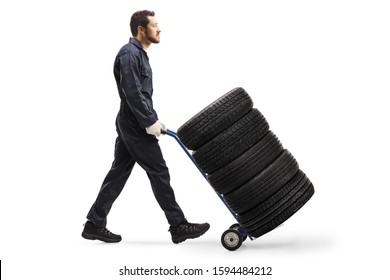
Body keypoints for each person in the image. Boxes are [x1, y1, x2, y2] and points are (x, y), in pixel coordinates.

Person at [82, 10, 210, 244]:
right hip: (134, 124)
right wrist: (148, 121)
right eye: (154, 25)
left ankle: (94, 224)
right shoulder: (129, 54)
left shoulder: (138, 54)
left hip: (131, 121)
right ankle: (178, 225)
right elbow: (132, 92)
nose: (159, 29)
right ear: (141, 29)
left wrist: (152, 118)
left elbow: (140, 94)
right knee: (159, 171)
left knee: (118, 173)